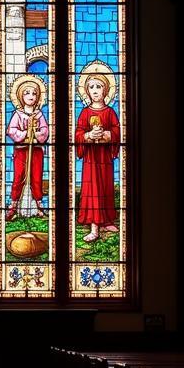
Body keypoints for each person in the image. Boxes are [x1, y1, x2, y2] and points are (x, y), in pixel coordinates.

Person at [75, 68, 120, 243]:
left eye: (99, 86)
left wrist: (106, 134)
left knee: (105, 188)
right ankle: (94, 226)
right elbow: (78, 133)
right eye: (91, 87)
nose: (95, 90)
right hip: (91, 159)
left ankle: (107, 220)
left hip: (105, 158)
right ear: (86, 91)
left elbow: (117, 131)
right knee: (93, 189)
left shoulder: (110, 112)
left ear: (106, 90)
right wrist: (88, 136)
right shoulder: (85, 112)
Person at [6, 77, 49, 220]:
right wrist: (25, 134)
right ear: (20, 96)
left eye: (34, 93)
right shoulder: (17, 114)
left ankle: (39, 205)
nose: (31, 96)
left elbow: (45, 132)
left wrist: (35, 135)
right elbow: (11, 130)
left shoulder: (39, 114)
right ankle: (13, 206)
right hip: (21, 151)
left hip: (36, 151)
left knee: (36, 177)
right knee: (19, 177)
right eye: (27, 93)